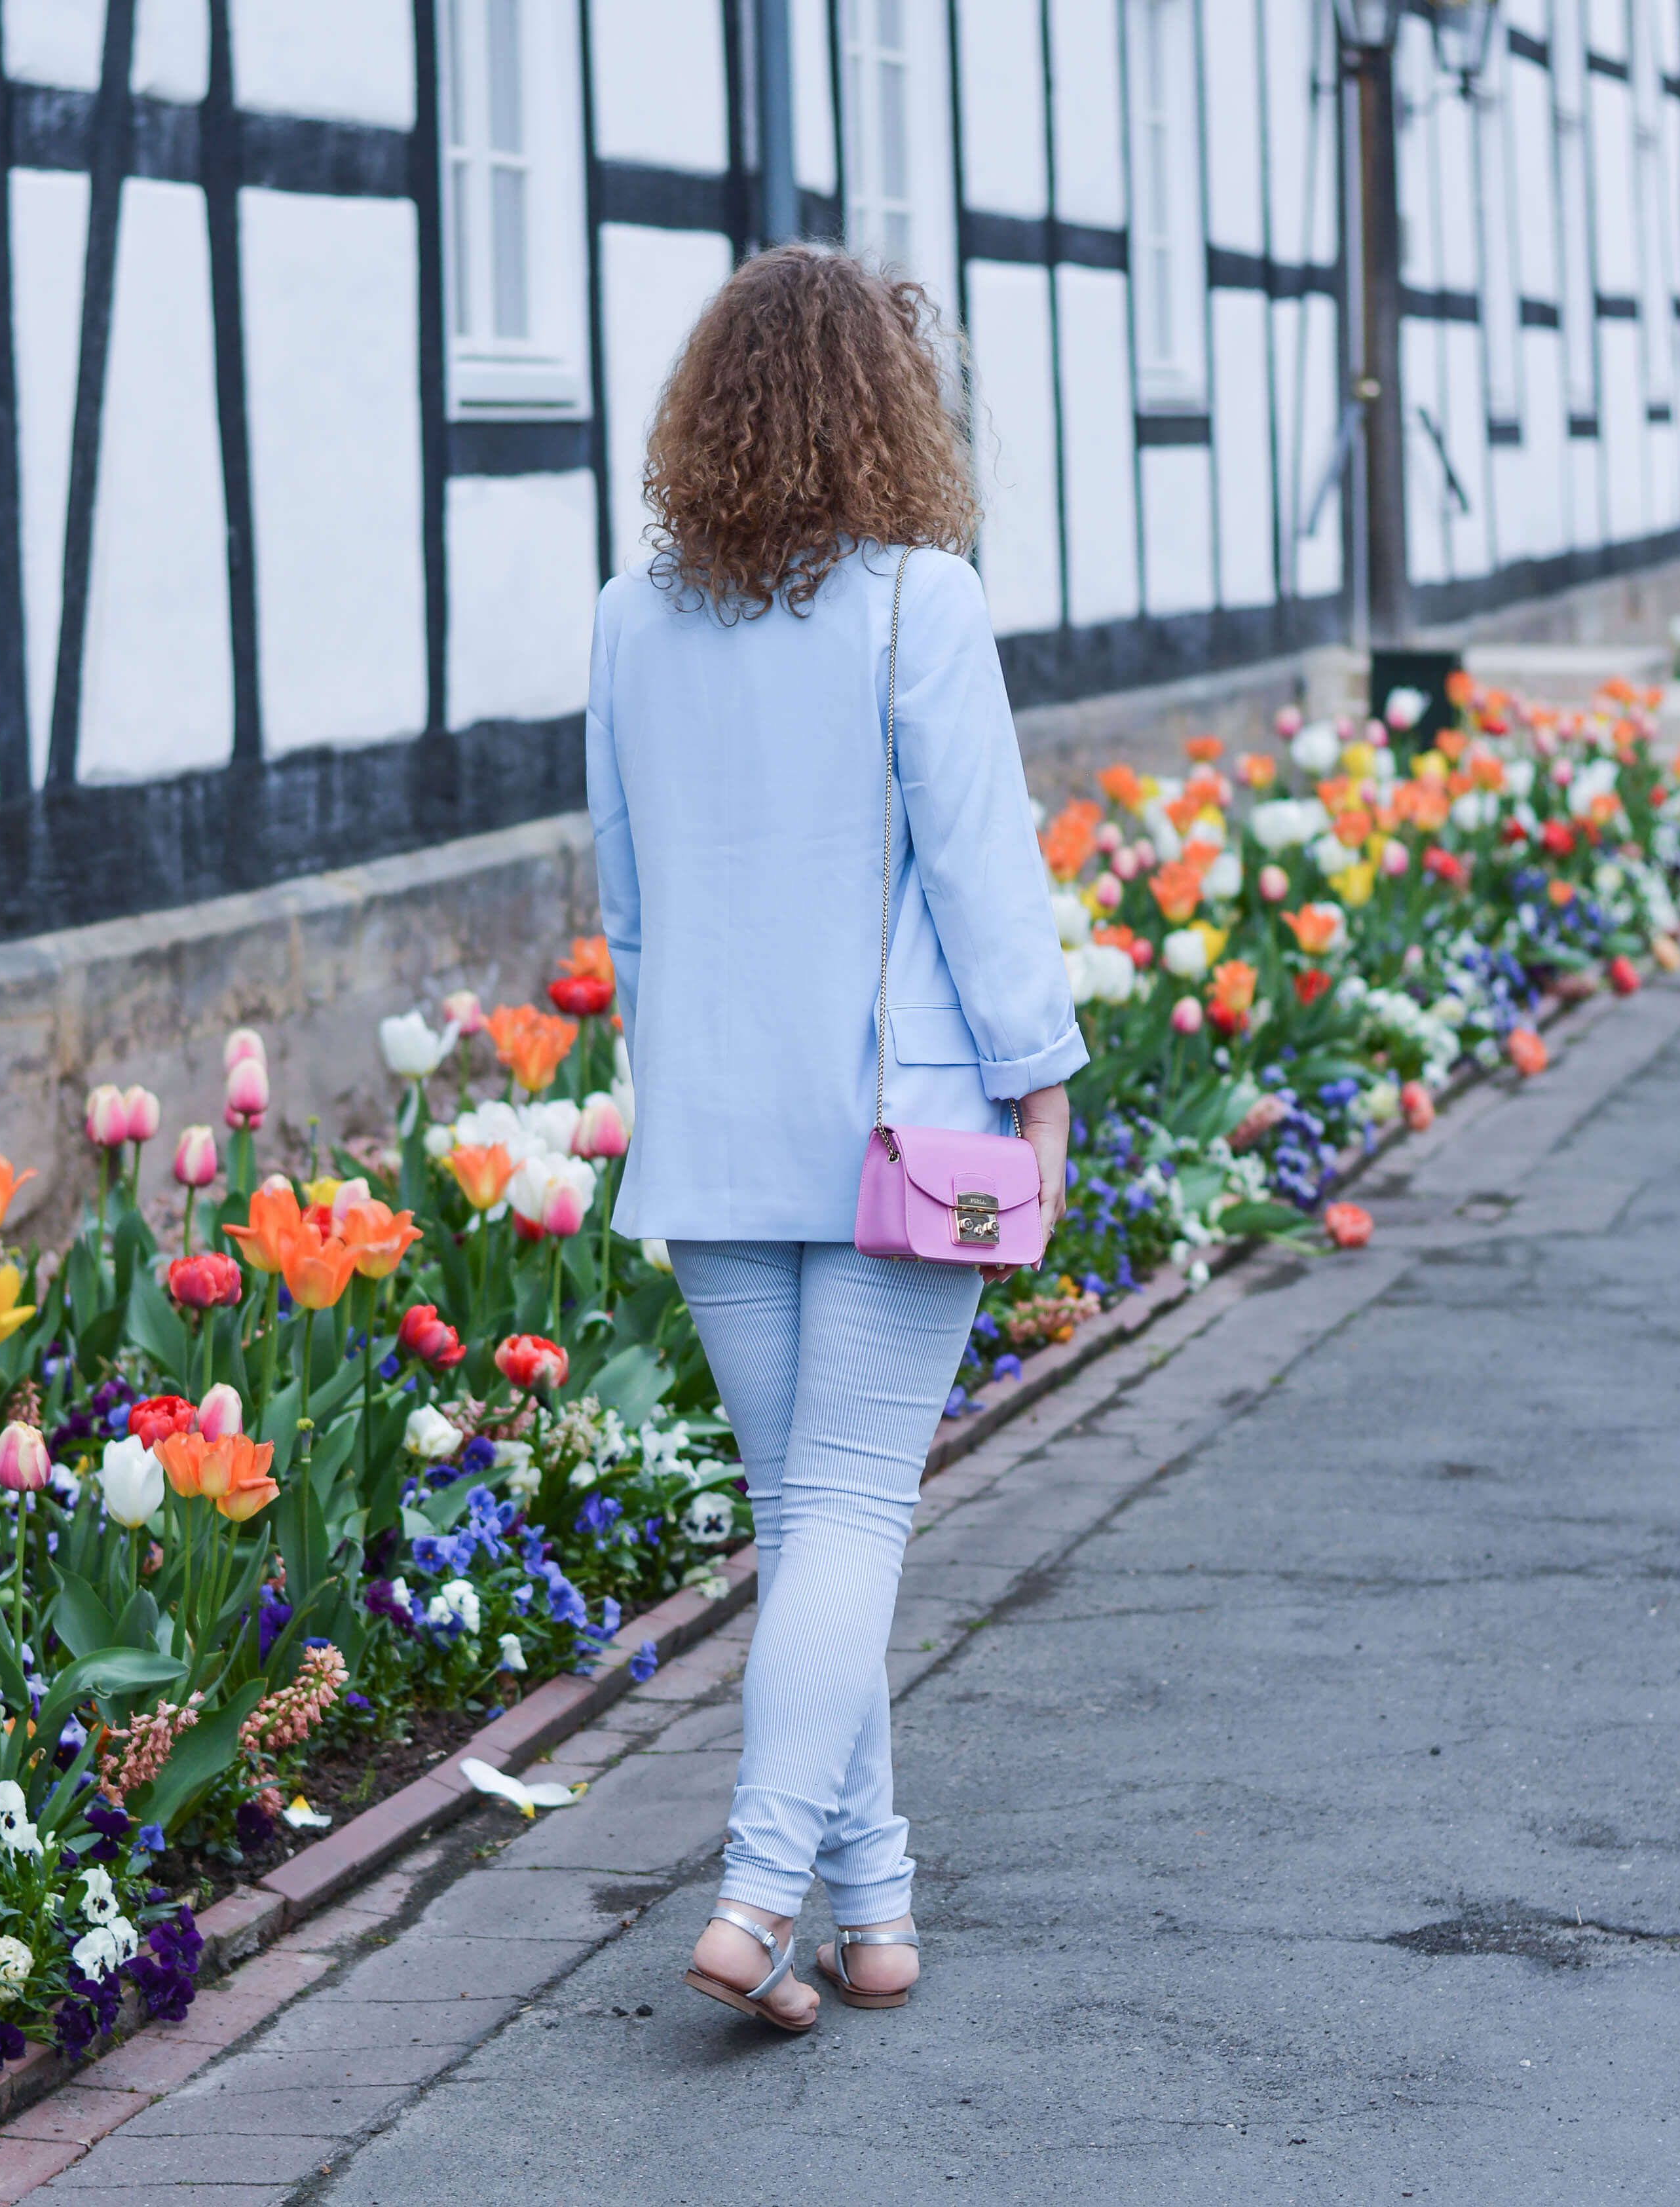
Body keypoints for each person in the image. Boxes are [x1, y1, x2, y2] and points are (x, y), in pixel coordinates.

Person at [584, 245, 1085, 2029]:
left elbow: (626, 911)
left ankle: (871, 1913)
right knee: (854, 1509)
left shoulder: (625, 620)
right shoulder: (916, 602)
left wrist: (680, 1078)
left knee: (812, 1520)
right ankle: (755, 1886)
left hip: (714, 1135)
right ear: (888, 407)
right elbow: (983, 868)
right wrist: (1044, 1076)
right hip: (902, 1128)